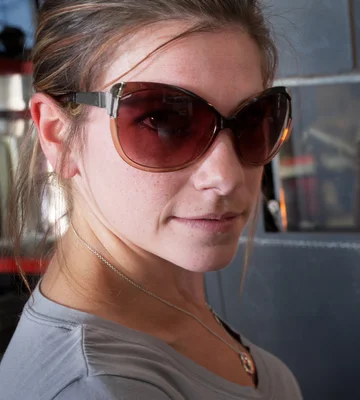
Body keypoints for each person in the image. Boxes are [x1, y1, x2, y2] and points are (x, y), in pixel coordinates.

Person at [0, 0, 301, 399]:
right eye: (161, 121)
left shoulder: (165, 298)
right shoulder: (93, 388)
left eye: (253, 119)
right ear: (58, 136)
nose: (226, 178)